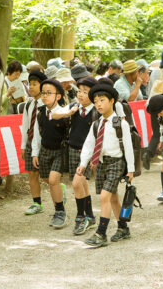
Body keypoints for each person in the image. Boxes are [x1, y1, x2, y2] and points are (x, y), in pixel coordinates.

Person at [78, 83, 135, 248]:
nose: (99, 104)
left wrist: (130, 169)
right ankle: (123, 228)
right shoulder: (96, 124)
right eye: (96, 101)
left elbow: (129, 147)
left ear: (112, 101)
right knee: (114, 197)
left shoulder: (120, 123)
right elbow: (89, 145)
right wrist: (83, 164)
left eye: (102, 100)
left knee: (104, 197)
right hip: (102, 163)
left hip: (117, 162)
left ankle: (101, 233)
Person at [31, 79, 70, 230]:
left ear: (58, 96)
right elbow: (36, 135)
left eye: (49, 93)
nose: (45, 96)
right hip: (45, 150)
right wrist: (35, 153)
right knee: (47, 179)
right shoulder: (41, 113)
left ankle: (60, 212)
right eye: (43, 93)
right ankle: (59, 190)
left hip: (60, 151)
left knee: (53, 180)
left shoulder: (65, 113)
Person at [65, 77, 99, 235]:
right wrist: (70, 112)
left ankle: (80, 218)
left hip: (88, 153)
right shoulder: (73, 107)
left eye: (85, 92)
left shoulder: (96, 111)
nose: (80, 94)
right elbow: (57, 114)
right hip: (73, 149)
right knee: (82, 184)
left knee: (77, 184)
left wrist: (96, 157)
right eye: (79, 91)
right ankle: (90, 217)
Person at [19, 70, 47, 216]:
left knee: (46, 174)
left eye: (35, 84)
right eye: (30, 84)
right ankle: (37, 203)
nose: (31, 87)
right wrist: (23, 145)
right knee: (32, 173)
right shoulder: (29, 105)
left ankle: (57, 188)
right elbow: (25, 126)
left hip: (44, 141)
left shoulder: (47, 103)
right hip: (30, 141)